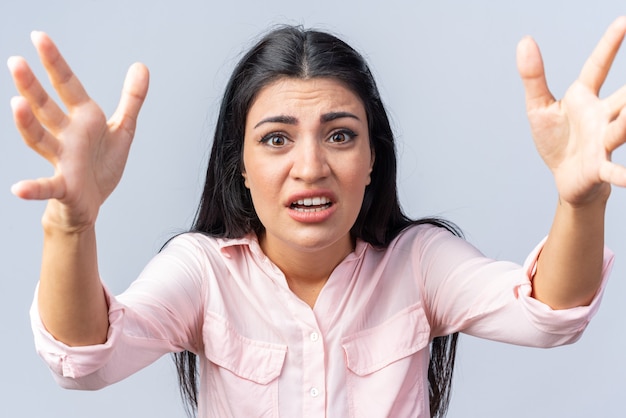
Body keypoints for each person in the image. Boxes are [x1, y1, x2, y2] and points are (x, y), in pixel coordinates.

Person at [7, 16, 626, 417]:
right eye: (276, 139)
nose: (310, 167)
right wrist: (71, 223)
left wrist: (581, 199)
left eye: (339, 136)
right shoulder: (202, 273)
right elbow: (83, 361)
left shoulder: (420, 262)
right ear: (241, 166)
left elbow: (550, 316)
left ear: (372, 160)